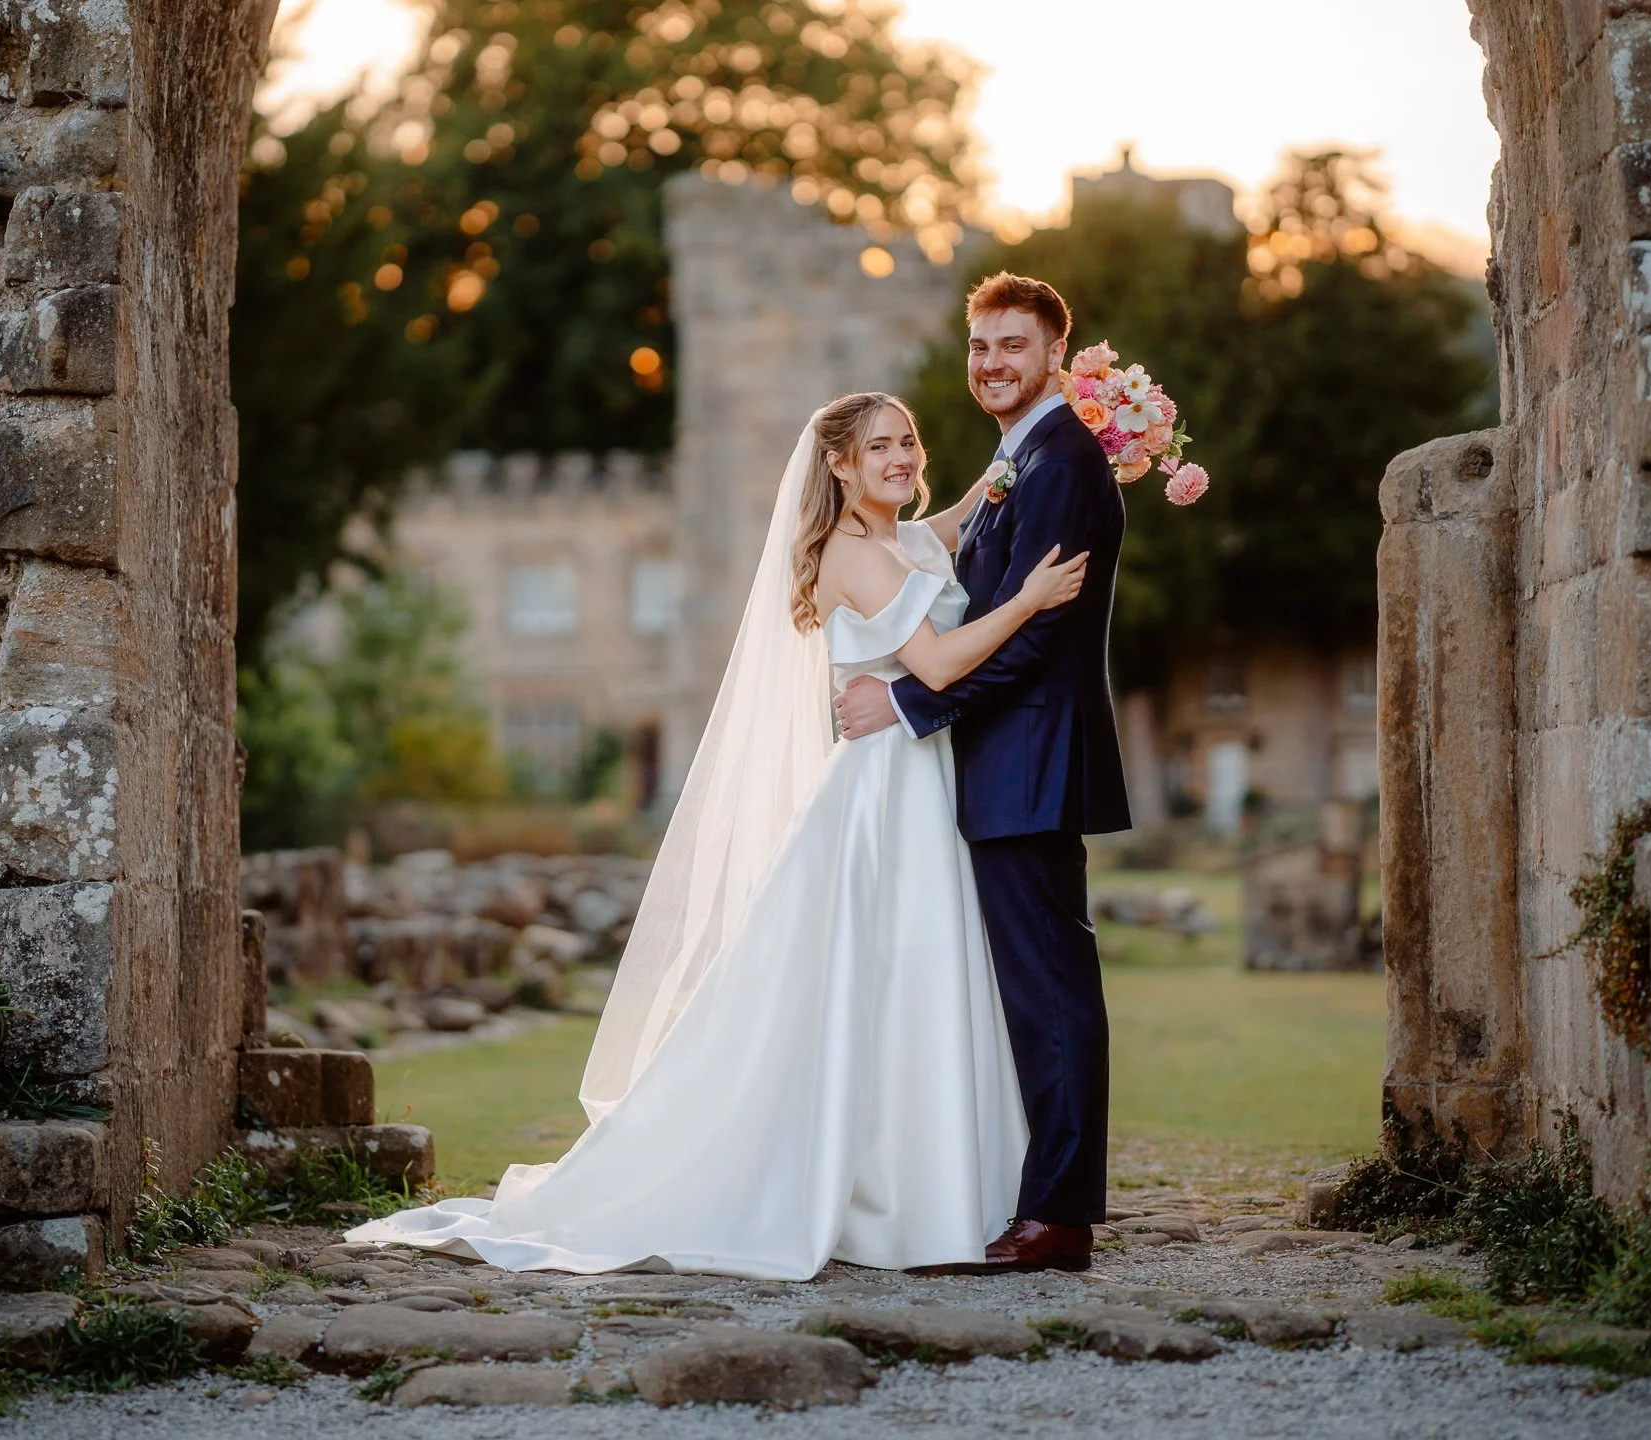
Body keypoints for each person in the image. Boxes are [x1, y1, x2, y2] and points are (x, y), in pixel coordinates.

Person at [346, 388, 1086, 1278]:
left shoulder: (902, 538)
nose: (903, 458)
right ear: (839, 466)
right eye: (881, 447)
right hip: (883, 796)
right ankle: (881, 1195)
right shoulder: (853, 555)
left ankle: (934, 1184)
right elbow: (934, 661)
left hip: (925, 782)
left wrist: (1053, 432)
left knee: (920, 977)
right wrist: (1032, 599)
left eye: (911, 442)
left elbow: (970, 509)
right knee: (880, 974)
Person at [835, 273, 1130, 1274]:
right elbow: (959, 547)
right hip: (1004, 764)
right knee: (1031, 988)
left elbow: (1036, 637)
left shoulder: (1060, 462)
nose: (991, 363)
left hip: (1031, 761)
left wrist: (909, 702)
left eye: (1012, 345)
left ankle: (1057, 1215)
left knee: (1050, 990)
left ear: (1056, 353)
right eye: (978, 346)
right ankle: (1034, 1190)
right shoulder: (1021, 458)